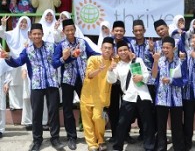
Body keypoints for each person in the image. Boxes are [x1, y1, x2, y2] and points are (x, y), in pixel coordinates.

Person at [1, 23, 63, 151]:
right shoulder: (27, 50)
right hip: (36, 85)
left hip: (52, 83)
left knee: (53, 113)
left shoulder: (52, 47)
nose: (37, 36)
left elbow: (59, 58)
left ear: (43, 34)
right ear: (30, 35)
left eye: (39, 34)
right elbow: (18, 62)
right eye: (34, 34)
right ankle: (37, 140)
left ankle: (55, 139)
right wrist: (8, 56)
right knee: (36, 114)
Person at [52, 18, 99, 150]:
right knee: (67, 109)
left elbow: (93, 54)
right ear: (63, 31)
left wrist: (105, 55)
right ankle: (71, 137)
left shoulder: (83, 42)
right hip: (67, 80)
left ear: (75, 29)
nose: (70, 32)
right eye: (67, 30)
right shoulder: (60, 46)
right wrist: (65, 57)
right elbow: (55, 63)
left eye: (72, 29)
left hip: (83, 79)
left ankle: (90, 135)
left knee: (87, 107)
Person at [107, 40, 156, 151]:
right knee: (122, 122)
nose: (123, 52)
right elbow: (111, 80)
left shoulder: (137, 60)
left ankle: (149, 147)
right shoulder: (118, 65)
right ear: (117, 52)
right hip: (129, 96)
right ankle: (117, 147)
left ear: (129, 50)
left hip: (142, 95)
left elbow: (147, 75)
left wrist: (141, 78)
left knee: (147, 122)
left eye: (125, 50)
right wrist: (110, 69)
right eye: (120, 50)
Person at [152, 36, 187, 151]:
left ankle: (179, 147)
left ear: (174, 48)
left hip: (176, 99)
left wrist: (171, 80)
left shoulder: (180, 62)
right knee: (161, 126)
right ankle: (161, 147)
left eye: (168, 47)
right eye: (163, 47)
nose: (165, 50)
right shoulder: (160, 61)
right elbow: (153, 77)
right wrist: (155, 62)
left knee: (177, 126)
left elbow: (184, 81)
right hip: (162, 98)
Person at [80, 37, 115, 151]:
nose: (107, 50)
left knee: (98, 117)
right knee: (87, 120)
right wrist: (99, 70)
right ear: (101, 48)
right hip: (87, 95)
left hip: (100, 97)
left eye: (110, 48)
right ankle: (92, 144)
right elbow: (89, 74)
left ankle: (100, 140)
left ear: (112, 50)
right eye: (105, 48)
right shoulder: (93, 59)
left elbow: (126, 56)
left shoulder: (114, 61)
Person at [0, 16, 31, 111]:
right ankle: (14, 105)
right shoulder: (13, 33)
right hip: (13, 60)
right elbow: (2, 34)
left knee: (24, 84)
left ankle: (24, 106)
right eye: (22, 22)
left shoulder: (30, 35)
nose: (23, 24)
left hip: (25, 61)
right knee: (13, 83)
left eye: (26, 22)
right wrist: (3, 25)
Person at [0, 57, 12, 139]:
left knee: (1, 106)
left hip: (1, 80)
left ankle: (0, 130)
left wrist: (7, 82)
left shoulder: (3, 44)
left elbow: (8, 65)